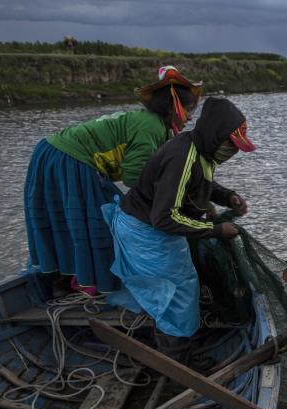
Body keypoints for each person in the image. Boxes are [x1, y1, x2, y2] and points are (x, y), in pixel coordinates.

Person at [24, 65, 202, 296]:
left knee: (67, 221)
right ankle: (88, 280)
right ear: (173, 108)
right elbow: (134, 175)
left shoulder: (151, 124)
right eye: (189, 110)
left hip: (50, 152)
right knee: (98, 221)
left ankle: (64, 278)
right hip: (70, 158)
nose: (190, 117)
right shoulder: (151, 127)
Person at [102, 97, 254, 351]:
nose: (233, 150)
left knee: (182, 284)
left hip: (154, 225)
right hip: (144, 230)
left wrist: (228, 196)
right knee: (178, 294)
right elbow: (164, 217)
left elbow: (199, 184)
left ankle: (177, 338)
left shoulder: (202, 150)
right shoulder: (182, 156)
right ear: (216, 135)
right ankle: (176, 355)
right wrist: (215, 229)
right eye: (231, 144)